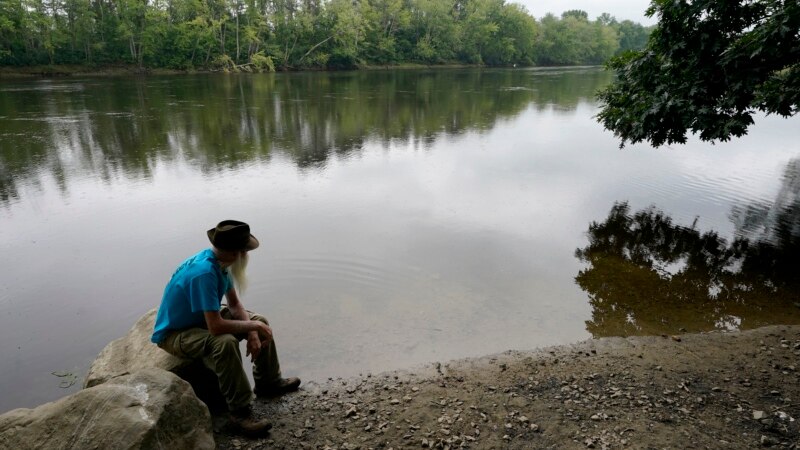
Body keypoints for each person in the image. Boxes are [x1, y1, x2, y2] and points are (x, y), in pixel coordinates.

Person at [151, 220, 300, 436]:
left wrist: (253, 329)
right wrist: (253, 325)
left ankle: (268, 383)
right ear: (237, 253)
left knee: (261, 322)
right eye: (246, 251)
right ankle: (239, 413)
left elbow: (234, 304)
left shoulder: (220, 262)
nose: (247, 256)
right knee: (225, 342)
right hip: (176, 333)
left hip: (201, 319)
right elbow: (216, 327)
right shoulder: (204, 273)